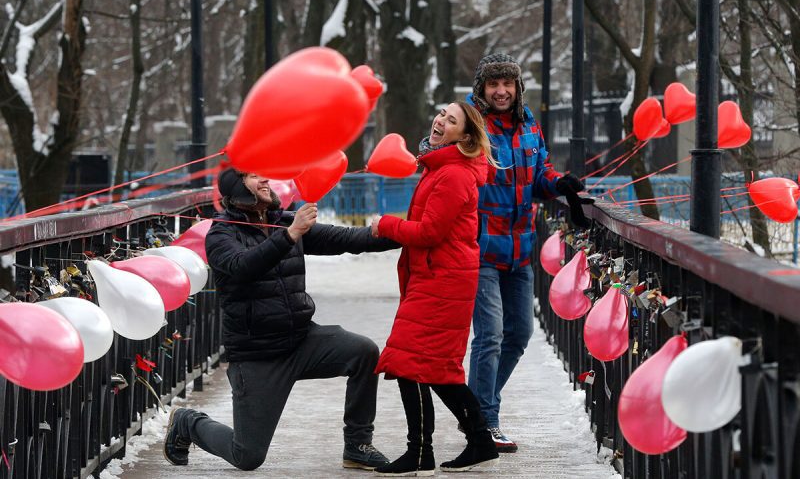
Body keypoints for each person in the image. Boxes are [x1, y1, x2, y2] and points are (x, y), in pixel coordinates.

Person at [162, 167, 398, 472]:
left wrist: (407, 234)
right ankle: (187, 422)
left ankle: (357, 444)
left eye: (264, 174)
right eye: (253, 176)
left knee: (363, 352)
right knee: (247, 456)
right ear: (237, 187)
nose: (264, 180)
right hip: (258, 354)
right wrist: (289, 235)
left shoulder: (282, 222)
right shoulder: (221, 233)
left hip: (302, 340)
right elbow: (243, 266)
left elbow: (347, 238)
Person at [467, 53, 590, 453]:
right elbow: (431, 152)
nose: (500, 91)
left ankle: (474, 406)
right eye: (492, 84)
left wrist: (561, 184)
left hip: (519, 249)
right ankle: (484, 419)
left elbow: (539, 176)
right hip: (480, 246)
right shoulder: (471, 124)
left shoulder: (529, 123)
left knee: (519, 333)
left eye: (507, 84)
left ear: (517, 88)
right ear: (482, 89)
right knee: (490, 336)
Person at [369, 102, 500, 476]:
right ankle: (478, 440)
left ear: (466, 137)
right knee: (431, 366)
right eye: (442, 113)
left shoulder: (454, 175)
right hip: (435, 277)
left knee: (411, 363)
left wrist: (386, 225)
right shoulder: (439, 169)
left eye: (452, 120)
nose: (441, 121)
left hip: (444, 280)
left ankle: (423, 451)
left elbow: (429, 232)